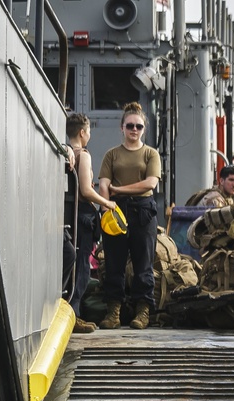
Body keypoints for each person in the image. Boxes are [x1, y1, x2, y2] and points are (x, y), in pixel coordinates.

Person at [98, 101, 161, 330]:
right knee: (113, 262)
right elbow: (103, 183)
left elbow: (150, 183)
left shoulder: (150, 154)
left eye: (139, 126)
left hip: (143, 211)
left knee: (143, 263)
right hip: (115, 210)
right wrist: (106, 207)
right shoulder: (111, 155)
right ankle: (113, 312)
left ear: (144, 129)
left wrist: (119, 190)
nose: (134, 130)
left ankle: (142, 312)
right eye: (130, 126)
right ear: (121, 127)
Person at [64, 113, 117, 334]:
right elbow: (86, 191)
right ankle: (73, 315)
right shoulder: (82, 156)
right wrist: (107, 203)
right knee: (83, 268)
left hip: (67, 212)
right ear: (82, 132)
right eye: (89, 132)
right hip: (83, 215)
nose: (89, 136)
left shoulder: (64, 152)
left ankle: (68, 314)